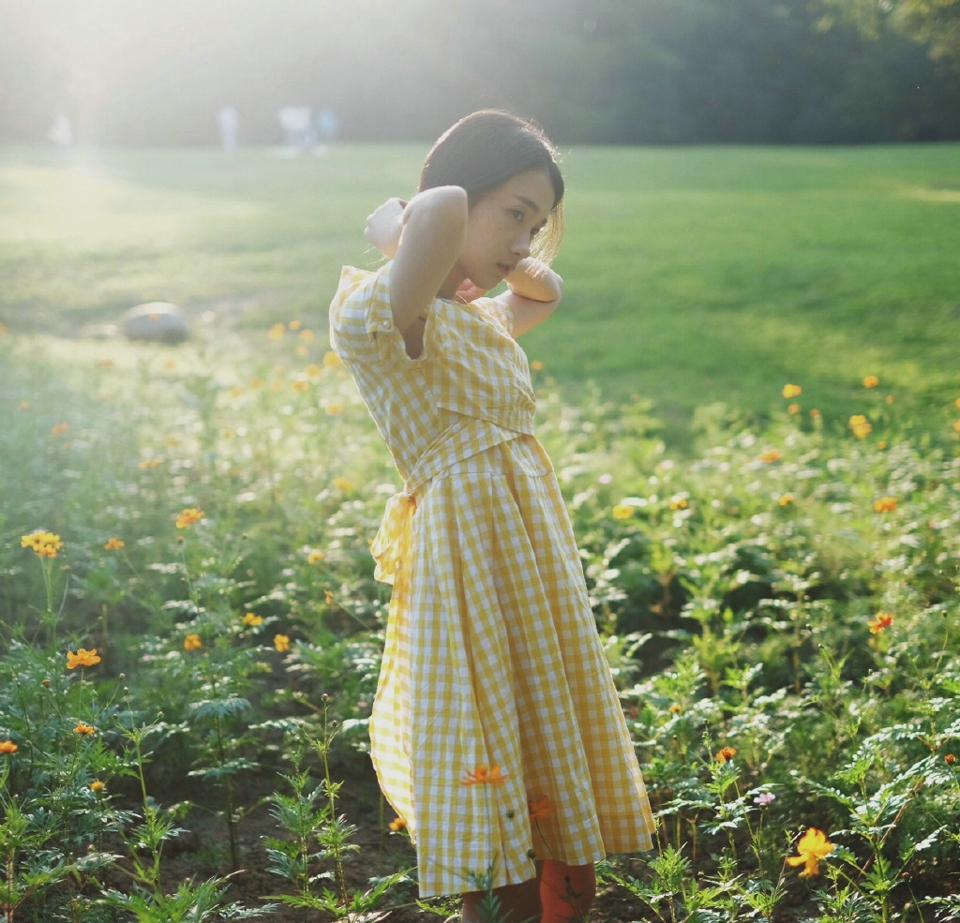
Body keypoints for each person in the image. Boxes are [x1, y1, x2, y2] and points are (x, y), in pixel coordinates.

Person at [329, 110, 655, 923]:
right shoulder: (378, 315)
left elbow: (546, 289)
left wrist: (504, 256)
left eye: (538, 224)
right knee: (489, 730)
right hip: (469, 562)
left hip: (531, 563)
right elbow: (439, 204)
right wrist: (397, 233)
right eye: (514, 213)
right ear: (464, 191)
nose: (526, 241)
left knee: (548, 723)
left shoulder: (475, 318)